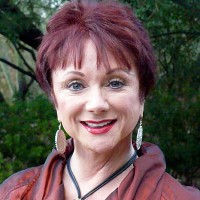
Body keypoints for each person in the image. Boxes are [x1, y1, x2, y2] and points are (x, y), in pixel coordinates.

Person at [0, 0, 199, 199]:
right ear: (55, 100)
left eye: (115, 83)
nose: (96, 104)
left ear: (142, 95)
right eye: (75, 85)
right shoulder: (13, 193)